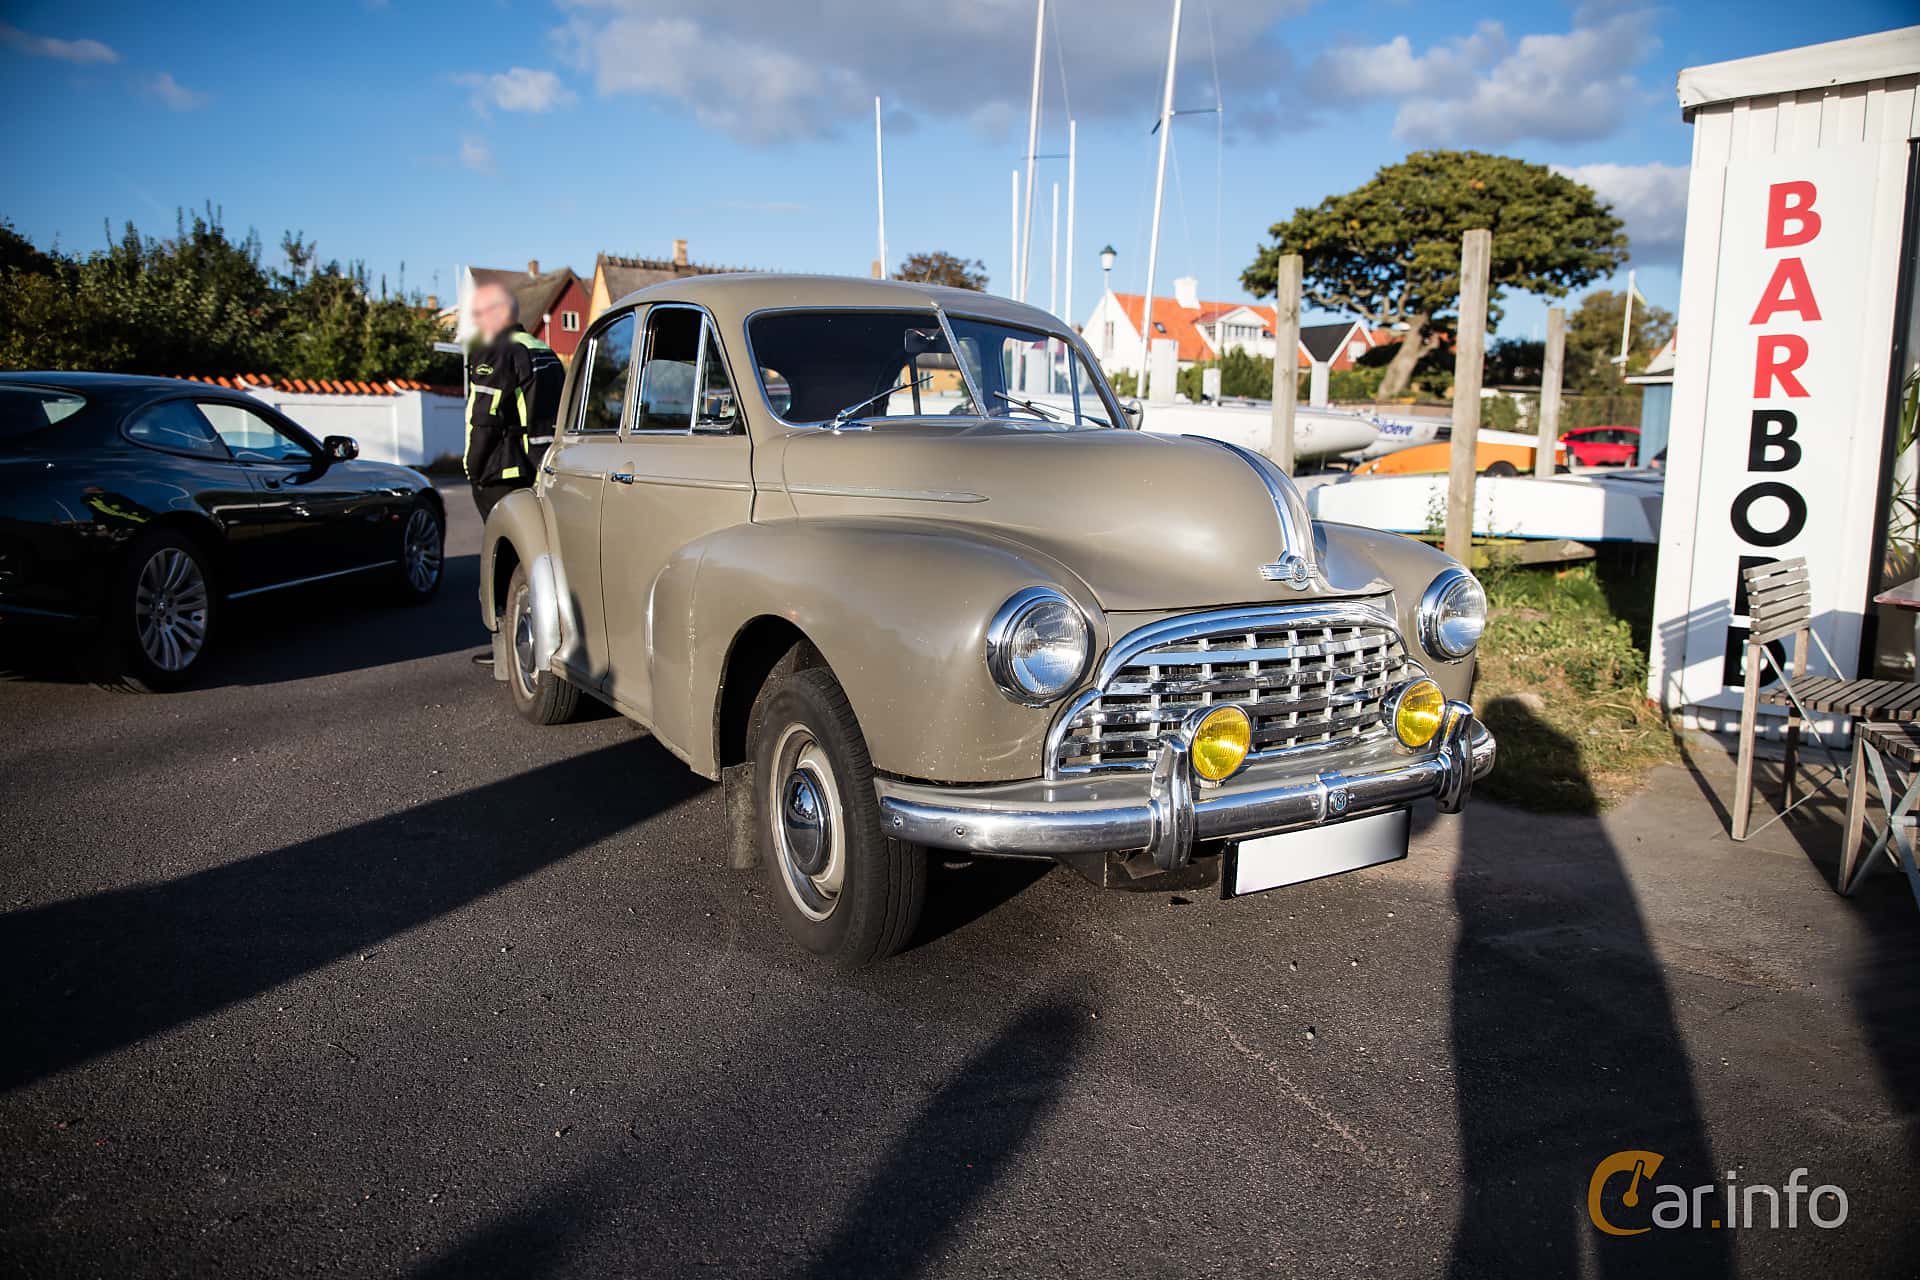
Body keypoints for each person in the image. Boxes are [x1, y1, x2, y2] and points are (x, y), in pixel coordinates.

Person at [463, 282, 565, 520]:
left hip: (503, 472)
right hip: (544, 467)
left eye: (479, 314)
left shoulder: (497, 352)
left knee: (503, 549)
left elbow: (485, 417)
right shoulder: (544, 350)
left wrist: (474, 470)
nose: (476, 322)